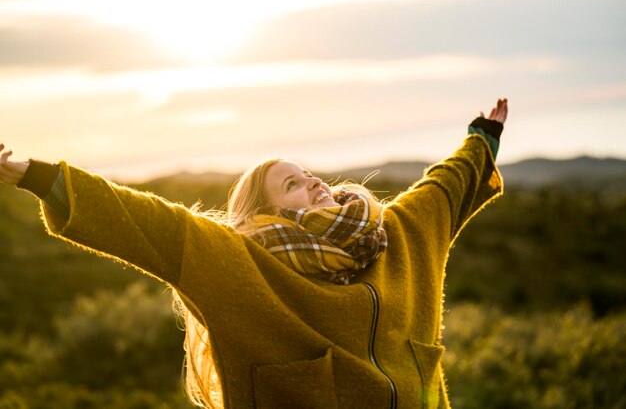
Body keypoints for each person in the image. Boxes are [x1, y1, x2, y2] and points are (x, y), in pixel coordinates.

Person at [0, 98, 508, 409]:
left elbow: (444, 186)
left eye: (307, 173)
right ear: (268, 212)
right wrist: (35, 175)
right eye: (291, 183)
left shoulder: (395, 235)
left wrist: (482, 137)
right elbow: (143, 222)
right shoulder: (239, 265)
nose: (311, 181)